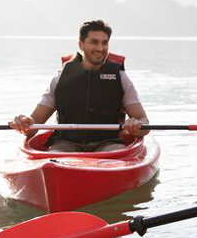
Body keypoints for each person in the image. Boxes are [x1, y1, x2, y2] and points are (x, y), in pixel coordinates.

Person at [9, 20, 150, 152]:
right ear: (81, 44)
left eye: (104, 43)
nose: (100, 48)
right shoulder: (60, 78)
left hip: (108, 145)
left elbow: (144, 123)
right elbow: (34, 123)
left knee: (116, 156)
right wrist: (24, 123)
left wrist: (135, 124)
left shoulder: (121, 78)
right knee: (54, 159)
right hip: (65, 145)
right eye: (94, 42)